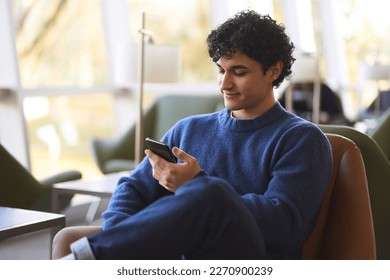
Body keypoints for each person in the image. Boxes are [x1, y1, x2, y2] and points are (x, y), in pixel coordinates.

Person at [57, 10, 332, 260]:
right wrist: (122, 241)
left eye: (239, 72)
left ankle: (82, 263)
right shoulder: (189, 129)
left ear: (274, 70)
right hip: (179, 261)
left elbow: (284, 226)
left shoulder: (302, 139)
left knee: (212, 193)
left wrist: (195, 184)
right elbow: (132, 188)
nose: (225, 84)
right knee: (206, 193)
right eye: (221, 70)